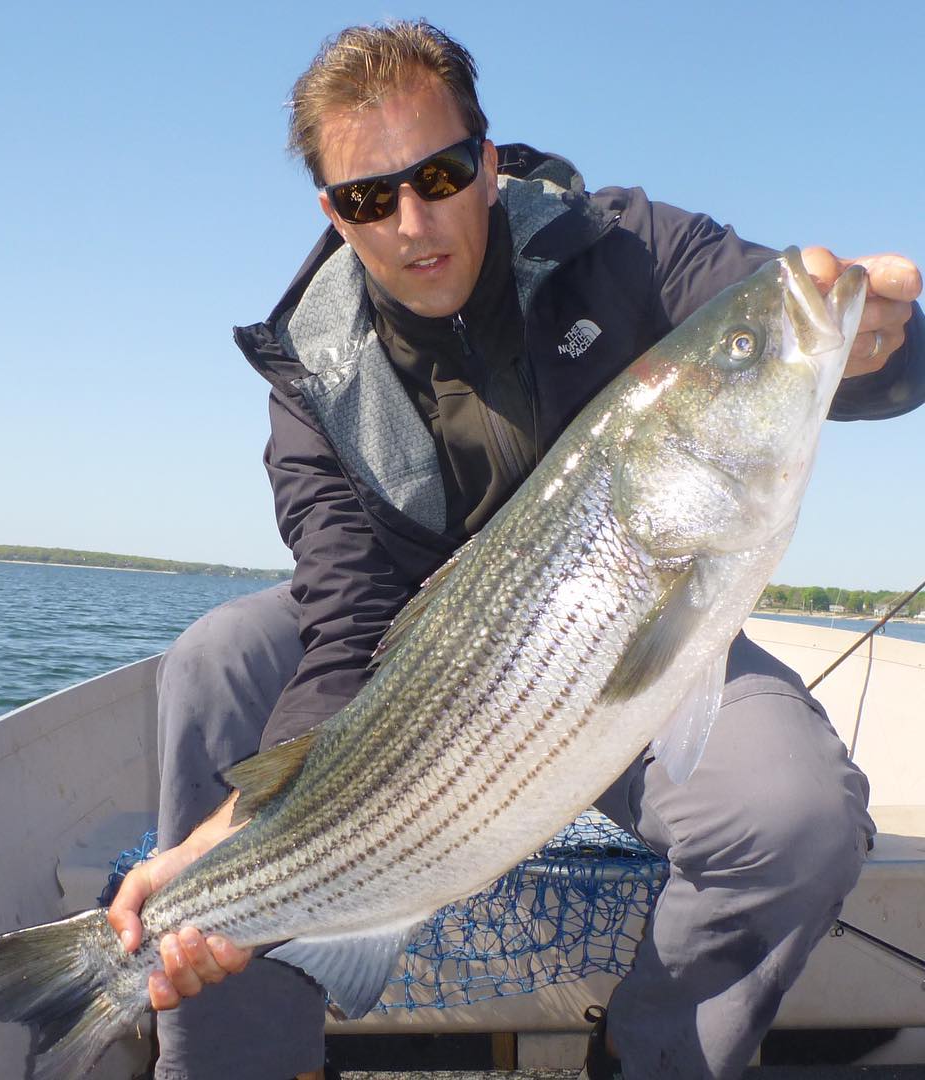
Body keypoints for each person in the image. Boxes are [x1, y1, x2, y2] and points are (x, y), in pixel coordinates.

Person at [109, 20, 924, 1080]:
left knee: (797, 816)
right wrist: (239, 829)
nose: (412, 221)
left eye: (440, 173)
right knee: (221, 660)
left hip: (638, 630)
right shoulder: (309, 380)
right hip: (413, 679)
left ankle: (648, 1060)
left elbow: (790, 328)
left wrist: (877, 345)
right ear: (332, 213)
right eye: (368, 198)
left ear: (488, 164)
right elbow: (347, 622)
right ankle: (235, 1055)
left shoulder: (630, 244)